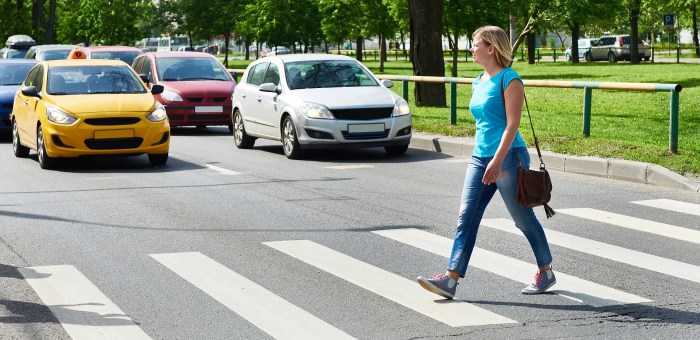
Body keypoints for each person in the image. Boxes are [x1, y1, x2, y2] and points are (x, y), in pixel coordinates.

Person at [417, 25, 556, 300]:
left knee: (522, 218)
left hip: (507, 157)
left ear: (491, 48)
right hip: (480, 158)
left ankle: (546, 270)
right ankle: (451, 279)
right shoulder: (477, 81)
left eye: (475, 44)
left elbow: (512, 125)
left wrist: (498, 159)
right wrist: (486, 158)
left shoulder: (510, 79)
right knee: (466, 216)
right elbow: (484, 123)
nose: (471, 48)